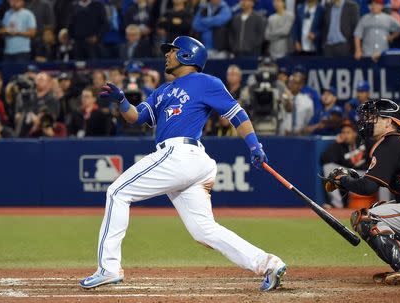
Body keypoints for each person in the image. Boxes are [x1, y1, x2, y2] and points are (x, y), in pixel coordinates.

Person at [79, 36, 287, 291]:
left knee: (117, 192)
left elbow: (236, 114)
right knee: (204, 230)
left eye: (172, 50)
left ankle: (108, 268)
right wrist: (122, 101)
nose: (167, 54)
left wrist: (255, 145)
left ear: (187, 55)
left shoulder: (206, 82)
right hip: (188, 162)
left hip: (182, 153)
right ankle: (269, 263)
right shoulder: (162, 91)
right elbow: (136, 117)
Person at [324, 98, 400, 284]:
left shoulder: (390, 144)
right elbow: (373, 183)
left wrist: (342, 180)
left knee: (366, 218)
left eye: (374, 117)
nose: (368, 121)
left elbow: (368, 188)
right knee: (380, 210)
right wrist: (351, 181)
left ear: (389, 122)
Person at [320, 120, 370, 208]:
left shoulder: (364, 141)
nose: (345, 135)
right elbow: (325, 159)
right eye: (343, 132)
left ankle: (384, 204)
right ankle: (337, 205)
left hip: (367, 173)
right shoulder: (340, 146)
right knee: (328, 167)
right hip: (351, 174)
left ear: (355, 133)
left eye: (348, 132)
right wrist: (336, 143)